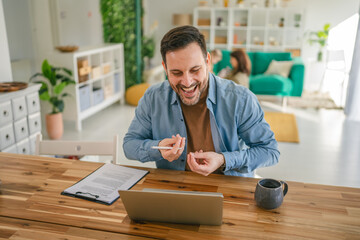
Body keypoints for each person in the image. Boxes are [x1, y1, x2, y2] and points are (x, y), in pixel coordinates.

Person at [123, 26, 279, 177]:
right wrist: (157, 149)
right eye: (176, 73)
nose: (187, 82)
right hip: (175, 191)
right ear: (165, 68)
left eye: (195, 70)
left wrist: (224, 160)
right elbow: (129, 145)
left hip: (230, 192)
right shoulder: (153, 98)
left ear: (208, 62)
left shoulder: (240, 99)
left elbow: (269, 151)